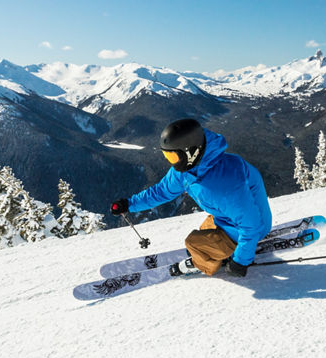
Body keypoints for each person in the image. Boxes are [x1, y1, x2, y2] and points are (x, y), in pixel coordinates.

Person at [110, 118, 272, 277]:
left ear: (191, 152)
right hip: (229, 218)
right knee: (203, 232)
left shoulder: (225, 183)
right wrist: (129, 204)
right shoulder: (188, 169)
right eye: (168, 156)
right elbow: (161, 191)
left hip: (253, 226)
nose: (172, 163)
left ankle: (201, 264)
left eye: (173, 157)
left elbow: (251, 225)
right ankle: (215, 251)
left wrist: (240, 262)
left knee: (193, 243)